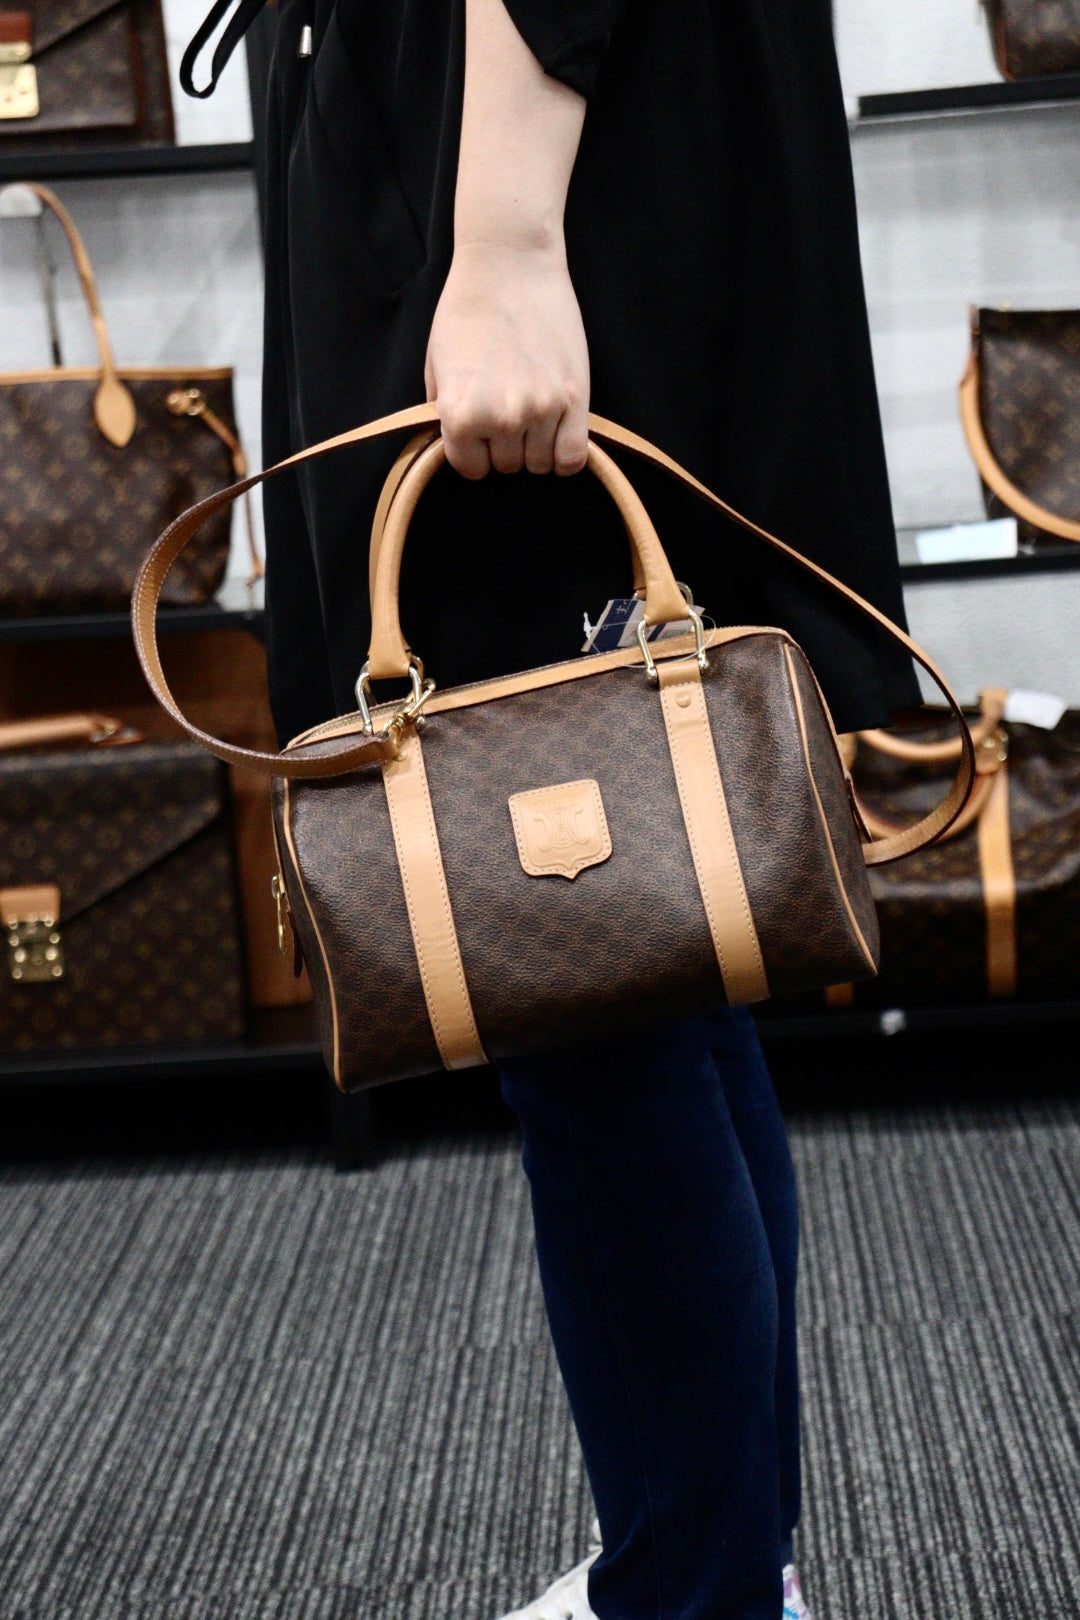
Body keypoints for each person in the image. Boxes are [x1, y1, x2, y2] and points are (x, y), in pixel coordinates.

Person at [184, 1, 920, 1615]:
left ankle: (700, 1596)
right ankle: (718, 1571)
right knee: (652, 938)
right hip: (527, 119)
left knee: (572, 969)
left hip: (522, 128)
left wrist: (508, 242)